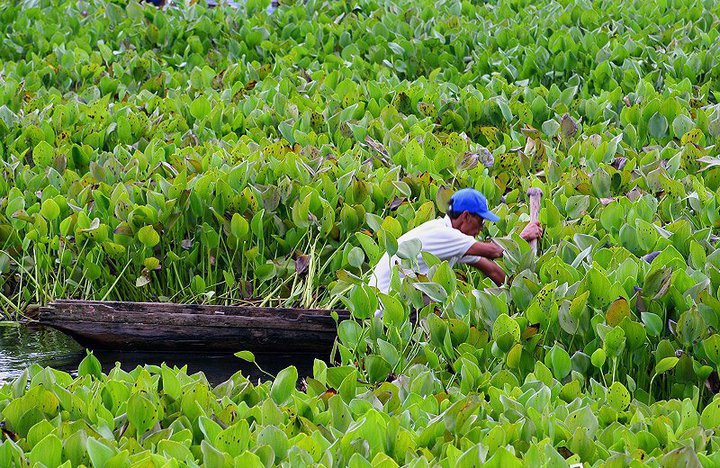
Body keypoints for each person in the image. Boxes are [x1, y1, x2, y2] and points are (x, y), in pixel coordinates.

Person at [368, 188, 543, 294]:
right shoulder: (445, 234)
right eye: (480, 222)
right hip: (385, 307)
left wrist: (522, 292)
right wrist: (523, 236)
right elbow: (494, 252)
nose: (481, 229)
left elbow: (491, 269)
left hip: (398, 301)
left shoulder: (451, 240)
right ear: (466, 216)